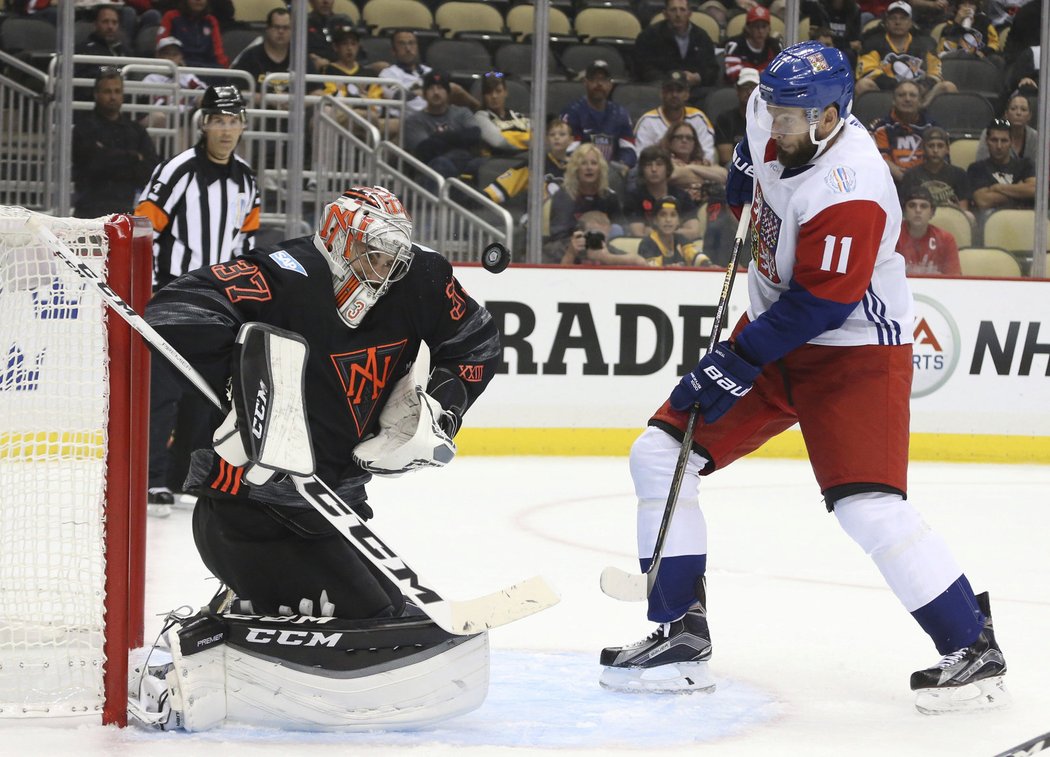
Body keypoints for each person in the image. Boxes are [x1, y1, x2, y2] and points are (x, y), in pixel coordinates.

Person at [599, 42, 1007, 714]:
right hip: (778, 338)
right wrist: (741, 173)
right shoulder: (775, 116)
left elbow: (821, 303)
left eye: (791, 118)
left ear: (829, 117)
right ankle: (679, 633)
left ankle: (970, 643)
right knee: (658, 453)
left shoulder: (853, 187)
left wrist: (735, 361)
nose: (776, 124)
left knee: (867, 506)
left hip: (853, 354)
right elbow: (752, 158)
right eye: (773, 112)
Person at [132, 185, 499, 732]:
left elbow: (479, 344)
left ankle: (248, 607)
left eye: (396, 253)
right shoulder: (285, 273)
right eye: (375, 251)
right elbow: (172, 312)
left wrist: (441, 406)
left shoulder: (420, 277)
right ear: (339, 241)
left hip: (333, 508)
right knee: (373, 616)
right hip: (244, 509)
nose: (389, 266)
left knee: (389, 614)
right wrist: (240, 379)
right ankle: (218, 633)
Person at [134, 86, 260, 515]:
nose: (227, 129)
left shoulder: (246, 177)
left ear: (243, 124)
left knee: (205, 394)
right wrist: (146, 293)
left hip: (219, 301)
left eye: (233, 120)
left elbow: (245, 242)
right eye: (218, 120)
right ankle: (151, 481)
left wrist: (243, 301)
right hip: (171, 294)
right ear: (203, 123)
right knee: (164, 393)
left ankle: (183, 477)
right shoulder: (177, 171)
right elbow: (143, 231)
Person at [72, 68, 158, 219]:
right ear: (96, 94)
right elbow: (94, 165)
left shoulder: (136, 131)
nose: (113, 97)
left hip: (126, 215)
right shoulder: (84, 128)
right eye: (107, 92)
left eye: (117, 91)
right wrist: (133, 157)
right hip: (90, 213)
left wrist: (109, 157)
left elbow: (150, 170)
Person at [544, 143, 641, 266]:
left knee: (636, 261)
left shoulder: (609, 196)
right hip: (569, 249)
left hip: (603, 248)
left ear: (600, 169)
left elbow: (621, 230)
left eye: (594, 163)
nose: (589, 168)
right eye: (583, 163)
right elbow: (558, 236)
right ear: (576, 168)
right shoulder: (564, 196)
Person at [855, 1, 956, 107]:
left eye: (903, 18)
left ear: (910, 23)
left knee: (948, 86)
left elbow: (935, 72)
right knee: (863, 85)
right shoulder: (873, 42)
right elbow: (868, 72)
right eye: (893, 18)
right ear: (886, 22)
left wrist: (920, 87)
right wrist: (899, 87)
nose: (897, 22)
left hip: (921, 97)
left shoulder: (926, 43)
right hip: (887, 97)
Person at [633, 0, 720, 106]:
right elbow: (643, 67)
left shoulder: (702, 36)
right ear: (665, 13)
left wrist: (698, 77)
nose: (678, 14)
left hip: (694, 92)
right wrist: (670, 80)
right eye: (673, 10)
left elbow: (712, 68)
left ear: (689, 13)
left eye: (682, 10)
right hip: (660, 90)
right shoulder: (649, 36)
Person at [402, 70, 484, 180]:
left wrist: (439, 137)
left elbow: (475, 135)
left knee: (485, 166)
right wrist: (460, 139)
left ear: (448, 93)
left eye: (440, 88)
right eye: (431, 89)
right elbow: (425, 150)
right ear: (424, 95)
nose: (436, 92)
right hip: (430, 171)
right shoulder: (414, 120)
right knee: (441, 163)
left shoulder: (462, 112)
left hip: (465, 163)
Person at [378, 29, 478, 116]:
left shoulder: (429, 71)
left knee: (454, 89)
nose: (408, 48)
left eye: (411, 43)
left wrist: (420, 91)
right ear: (393, 51)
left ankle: (480, 110)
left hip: (439, 116)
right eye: (402, 44)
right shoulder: (387, 74)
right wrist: (425, 91)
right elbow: (398, 96)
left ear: (417, 47)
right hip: (408, 120)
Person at [231, 6, 320, 102]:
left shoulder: (300, 58)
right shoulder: (251, 56)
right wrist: (268, 99)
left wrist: (295, 103)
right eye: (276, 27)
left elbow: (317, 91)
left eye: (286, 28)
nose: (281, 31)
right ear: (267, 29)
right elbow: (235, 90)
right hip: (259, 113)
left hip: (295, 114)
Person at [561, 60, 637, 171]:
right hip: (581, 171)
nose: (599, 84)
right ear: (585, 82)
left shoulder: (621, 113)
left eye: (603, 79)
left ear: (610, 85)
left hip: (612, 172)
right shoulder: (573, 112)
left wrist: (623, 164)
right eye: (594, 79)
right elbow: (569, 151)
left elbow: (628, 149)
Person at [482, 116, 572, 206]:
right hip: (536, 217)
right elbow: (502, 187)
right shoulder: (535, 165)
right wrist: (485, 196)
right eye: (552, 134)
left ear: (571, 140)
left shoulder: (577, 166)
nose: (556, 137)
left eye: (562, 134)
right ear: (547, 139)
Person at [634, 70, 716, 162]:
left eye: (679, 90)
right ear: (662, 94)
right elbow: (641, 158)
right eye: (670, 90)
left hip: (695, 172)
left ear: (687, 94)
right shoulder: (648, 120)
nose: (674, 95)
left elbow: (708, 156)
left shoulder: (698, 118)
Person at [624, 146, 702, 240]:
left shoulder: (682, 196)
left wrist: (655, 231)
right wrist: (678, 231)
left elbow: (694, 232)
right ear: (642, 169)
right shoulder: (634, 197)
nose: (654, 169)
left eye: (659, 164)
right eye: (648, 165)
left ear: (668, 168)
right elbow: (638, 234)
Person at [870, 79, 936, 185]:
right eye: (902, 95)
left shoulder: (932, 127)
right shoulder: (881, 127)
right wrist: (907, 180)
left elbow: (937, 158)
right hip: (891, 183)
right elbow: (881, 158)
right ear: (894, 101)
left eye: (913, 95)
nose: (907, 99)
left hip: (926, 181)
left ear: (920, 101)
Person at [966, 117, 1036, 212]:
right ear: (987, 141)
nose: (999, 146)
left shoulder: (1025, 164)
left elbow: (1034, 190)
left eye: (1004, 141)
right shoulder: (977, 168)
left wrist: (998, 188)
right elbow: (983, 201)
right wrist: (1020, 193)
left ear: (1011, 142)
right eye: (994, 140)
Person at [900, 126, 973, 216]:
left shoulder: (959, 174)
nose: (935, 150)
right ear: (923, 149)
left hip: (950, 218)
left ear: (947, 149)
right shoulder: (911, 175)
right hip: (920, 218)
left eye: (940, 146)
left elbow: (963, 210)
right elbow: (906, 209)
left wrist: (954, 209)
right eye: (931, 146)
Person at [140, 36, 209, 128]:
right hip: (162, 117)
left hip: (186, 118)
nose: (171, 58)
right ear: (158, 56)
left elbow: (201, 91)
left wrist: (201, 99)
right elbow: (149, 104)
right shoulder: (151, 78)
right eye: (166, 54)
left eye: (175, 54)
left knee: (203, 117)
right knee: (159, 117)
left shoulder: (187, 76)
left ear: (181, 57)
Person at [896, 185, 962, 275]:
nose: (918, 210)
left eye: (923, 206)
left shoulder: (946, 239)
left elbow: (954, 278)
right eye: (912, 205)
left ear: (932, 212)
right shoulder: (893, 237)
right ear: (904, 211)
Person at [638, 194, 711, 267]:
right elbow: (652, 266)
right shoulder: (647, 243)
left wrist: (708, 265)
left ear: (679, 221)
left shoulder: (681, 239)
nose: (668, 220)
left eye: (673, 215)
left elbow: (695, 255)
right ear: (655, 220)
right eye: (663, 215)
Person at [474, 71, 531, 157]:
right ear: (483, 96)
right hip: (496, 162)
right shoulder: (480, 117)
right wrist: (526, 139)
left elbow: (539, 140)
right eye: (489, 92)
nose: (494, 96)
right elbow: (499, 142)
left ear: (505, 92)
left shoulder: (517, 116)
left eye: (498, 91)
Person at [158, 0, 229, 69]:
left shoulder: (211, 20)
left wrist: (226, 68)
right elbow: (162, 48)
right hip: (179, 67)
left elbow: (218, 52)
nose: (198, 0)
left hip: (206, 68)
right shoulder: (171, 16)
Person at [723, 6, 783, 84]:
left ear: (769, 29)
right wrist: (764, 74)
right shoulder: (734, 45)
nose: (760, 31)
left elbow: (780, 73)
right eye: (756, 26)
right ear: (748, 28)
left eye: (764, 26)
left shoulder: (776, 46)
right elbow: (733, 74)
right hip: (741, 88)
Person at [974, 93, 1038, 163]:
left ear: (1029, 115)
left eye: (1023, 109)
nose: (1018, 113)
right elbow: (981, 164)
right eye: (1013, 109)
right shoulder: (990, 133)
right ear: (1006, 114)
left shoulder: (1036, 138)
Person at [715, 68, 759, 165]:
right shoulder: (725, 119)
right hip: (735, 168)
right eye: (745, 87)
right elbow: (726, 158)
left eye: (753, 88)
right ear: (737, 90)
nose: (749, 92)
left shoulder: (767, 119)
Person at [305, 0, 357, 73]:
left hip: (344, 68)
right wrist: (309, 60)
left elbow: (357, 52)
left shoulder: (344, 21)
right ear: (311, 1)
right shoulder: (303, 24)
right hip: (316, 72)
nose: (325, 1)